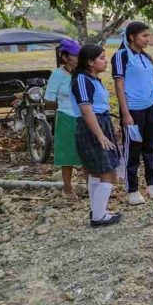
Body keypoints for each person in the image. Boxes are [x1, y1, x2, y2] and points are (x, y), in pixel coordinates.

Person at [70, 45, 121, 227]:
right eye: (101, 58)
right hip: (92, 126)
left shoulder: (93, 79)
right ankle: (98, 216)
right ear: (90, 62)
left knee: (97, 171)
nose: (106, 61)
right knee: (107, 171)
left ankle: (98, 210)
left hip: (100, 123)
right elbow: (86, 110)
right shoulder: (82, 80)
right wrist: (100, 135)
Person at [112, 22, 153, 205]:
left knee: (151, 145)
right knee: (133, 148)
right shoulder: (121, 56)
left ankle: (152, 183)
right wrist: (126, 113)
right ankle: (132, 189)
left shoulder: (146, 57)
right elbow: (119, 86)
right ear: (132, 37)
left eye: (149, 35)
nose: (148, 39)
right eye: (144, 36)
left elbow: (152, 78)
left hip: (150, 107)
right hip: (132, 109)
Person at [43, 39, 82, 199]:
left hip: (83, 116)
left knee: (87, 152)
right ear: (65, 57)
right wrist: (65, 105)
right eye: (76, 55)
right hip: (66, 117)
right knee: (67, 154)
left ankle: (91, 187)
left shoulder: (81, 73)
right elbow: (48, 100)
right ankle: (67, 188)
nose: (79, 58)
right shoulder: (58, 74)